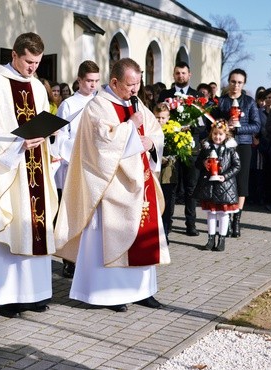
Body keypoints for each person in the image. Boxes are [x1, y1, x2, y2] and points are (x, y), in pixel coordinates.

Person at [55, 58, 170, 313]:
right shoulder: (98, 106)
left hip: (141, 183)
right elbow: (102, 145)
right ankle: (111, 293)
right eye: (130, 84)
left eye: (138, 84)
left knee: (142, 235)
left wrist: (151, 141)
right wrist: (131, 127)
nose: (135, 90)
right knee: (112, 236)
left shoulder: (136, 103)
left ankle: (143, 290)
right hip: (111, 185)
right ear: (115, 82)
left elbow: (155, 132)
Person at [0, 32, 58, 318]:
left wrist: (50, 132)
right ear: (14, 56)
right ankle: (6, 297)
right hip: (9, 170)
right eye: (28, 61)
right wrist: (18, 142)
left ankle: (35, 294)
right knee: (11, 226)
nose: (33, 68)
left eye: (37, 63)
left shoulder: (38, 87)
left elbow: (43, 118)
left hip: (36, 169)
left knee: (35, 226)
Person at [52, 60, 100, 278]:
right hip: (72, 165)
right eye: (89, 81)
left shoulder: (101, 103)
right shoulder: (69, 104)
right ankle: (69, 260)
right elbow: (61, 136)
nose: (93, 85)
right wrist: (79, 150)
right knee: (71, 214)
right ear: (80, 80)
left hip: (96, 167)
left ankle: (89, 257)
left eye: (97, 81)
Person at [212, 68, 260, 238]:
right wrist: (225, 123)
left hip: (244, 145)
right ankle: (224, 217)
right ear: (229, 82)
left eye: (239, 82)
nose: (236, 85)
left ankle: (236, 220)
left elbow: (256, 125)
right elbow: (214, 123)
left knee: (241, 182)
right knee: (224, 180)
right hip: (225, 146)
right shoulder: (222, 101)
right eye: (233, 81)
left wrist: (239, 127)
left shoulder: (249, 102)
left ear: (243, 84)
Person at [158, 61, 202, 237]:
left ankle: (190, 224)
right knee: (170, 188)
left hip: (191, 148)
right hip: (171, 149)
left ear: (189, 75)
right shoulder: (165, 94)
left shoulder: (197, 96)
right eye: (177, 73)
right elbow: (160, 118)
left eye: (184, 73)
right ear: (173, 74)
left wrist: (188, 128)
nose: (180, 76)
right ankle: (166, 226)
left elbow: (202, 126)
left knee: (191, 188)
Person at [193, 119, 240, 251]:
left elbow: (237, 166)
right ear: (211, 134)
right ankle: (210, 239)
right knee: (211, 213)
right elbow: (197, 163)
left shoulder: (230, 149)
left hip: (225, 186)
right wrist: (203, 163)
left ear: (226, 135)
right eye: (215, 134)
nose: (217, 137)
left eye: (220, 134)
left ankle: (222, 239)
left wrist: (224, 176)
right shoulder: (206, 148)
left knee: (223, 214)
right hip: (209, 187)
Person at [154, 102, 176, 239]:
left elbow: (178, 151)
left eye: (163, 118)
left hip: (168, 173)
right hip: (154, 172)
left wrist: (169, 159)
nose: (160, 121)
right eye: (157, 117)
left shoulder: (173, 131)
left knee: (167, 202)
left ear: (168, 118)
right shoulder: (151, 130)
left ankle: (165, 232)